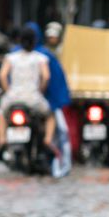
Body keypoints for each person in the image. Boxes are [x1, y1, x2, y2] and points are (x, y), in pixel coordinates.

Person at [0, 26, 55, 154]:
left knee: (1, 114)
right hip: (33, 98)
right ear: (35, 41)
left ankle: (1, 139)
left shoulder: (11, 57)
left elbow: (2, 75)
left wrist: (8, 91)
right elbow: (46, 76)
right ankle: (48, 140)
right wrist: (40, 90)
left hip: (13, 97)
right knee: (50, 116)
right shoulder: (40, 58)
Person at [33, 21, 73, 177]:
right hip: (41, 101)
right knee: (59, 129)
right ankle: (49, 141)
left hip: (17, 100)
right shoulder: (45, 56)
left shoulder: (13, 55)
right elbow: (49, 79)